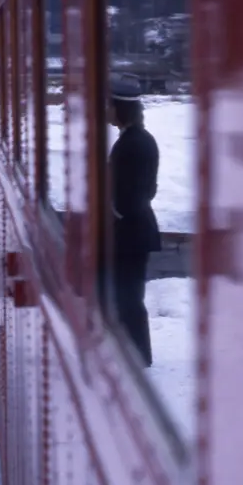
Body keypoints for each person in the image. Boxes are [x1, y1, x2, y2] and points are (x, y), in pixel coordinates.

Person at [107, 75, 162, 367]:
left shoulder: (131, 144)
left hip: (129, 233)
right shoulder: (138, 139)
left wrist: (112, 215)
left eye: (109, 105)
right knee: (126, 295)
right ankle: (132, 354)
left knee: (128, 297)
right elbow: (149, 190)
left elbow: (132, 196)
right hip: (134, 231)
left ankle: (137, 357)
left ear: (119, 108)